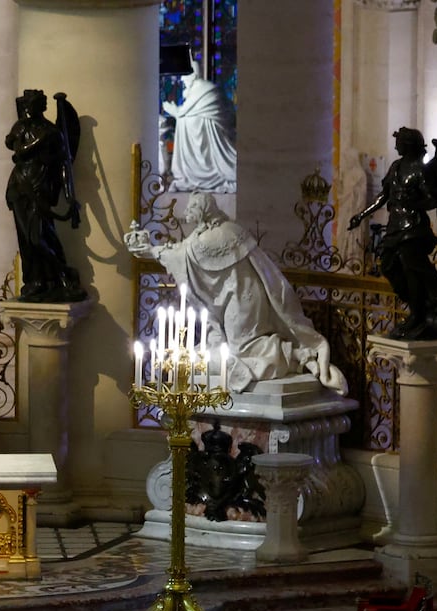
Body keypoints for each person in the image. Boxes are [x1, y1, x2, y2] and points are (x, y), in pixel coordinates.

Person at [125, 193, 345, 394]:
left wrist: (150, 250)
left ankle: (298, 357)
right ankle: (298, 357)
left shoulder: (219, 234)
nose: (186, 212)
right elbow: (183, 250)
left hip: (244, 298)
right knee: (229, 350)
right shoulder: (207, 232)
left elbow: (182, 255)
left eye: (192, 207)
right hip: (236, 296)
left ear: (203, 210)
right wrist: (151, 249)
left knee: (241, 350)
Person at [346, 127, 437, 341]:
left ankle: (422, 311)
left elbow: (433, 199)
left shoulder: (422, 170)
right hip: (395, 226)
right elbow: (383, 196)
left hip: (414, 228)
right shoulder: (396, 167)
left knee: (412, 268)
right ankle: (421, 303)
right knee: (388, 265)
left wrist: (415, 203)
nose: (396, 145)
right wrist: (361, 215)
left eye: (399, 142)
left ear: (408, 145)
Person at [5, 89, 85, 303]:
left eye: (31, 105)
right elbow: (12, 145)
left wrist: (69, 197)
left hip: (39, 188)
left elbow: (63, 166)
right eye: (26, 105)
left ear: (40, 107)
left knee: (39, 237)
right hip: (19, 186)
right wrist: (22, 134)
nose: (27, 109)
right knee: (26, 240)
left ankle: (64, 274)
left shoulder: (51, 132)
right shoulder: (21, 126)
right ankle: (35, 281)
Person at [164, 58, 237, 193]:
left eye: (184, 77)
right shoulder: (200, 89)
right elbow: (187, 113)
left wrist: (175, 112)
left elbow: (185, 114)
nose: (182, 80)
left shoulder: (201, 89)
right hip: (203, 142)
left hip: (209, 141)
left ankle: (202, 174)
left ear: (193, 74)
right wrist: (178, 113)